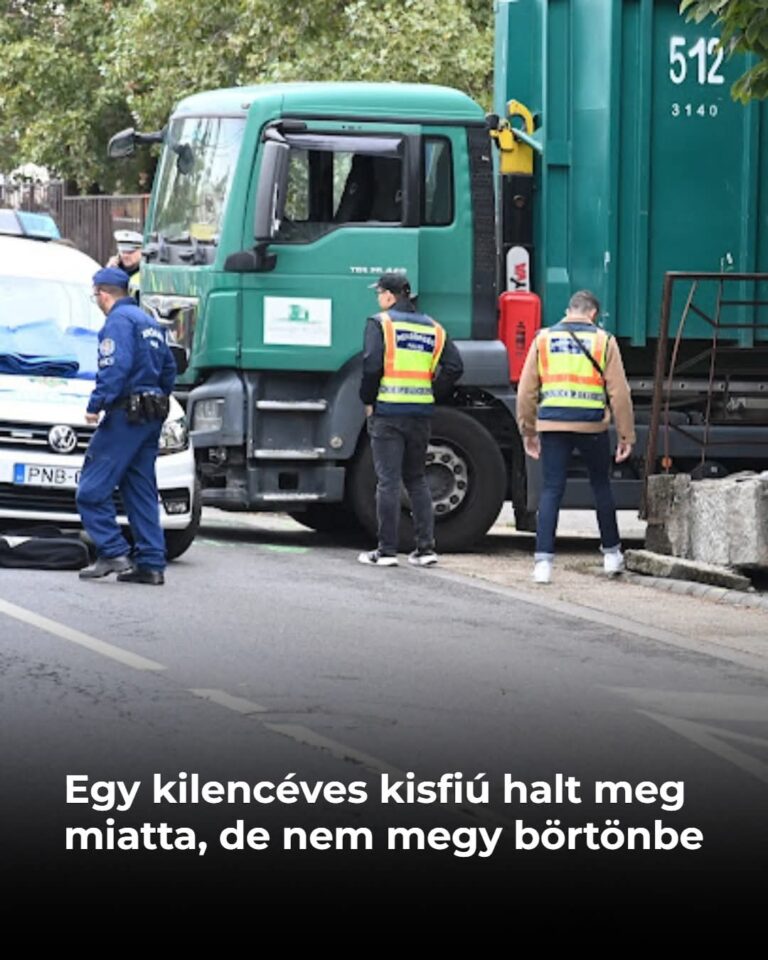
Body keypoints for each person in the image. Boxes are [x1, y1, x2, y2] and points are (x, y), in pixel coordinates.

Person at [516, 289, 635, 584]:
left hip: (552, 425)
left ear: (569, 311)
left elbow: (526, 390)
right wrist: (626, 435)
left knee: (551, 490)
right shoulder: (604, 340)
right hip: (591, 426)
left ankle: (543, 563)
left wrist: (528, 430)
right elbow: (619, 393)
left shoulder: (543, 339)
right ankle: (611, 555)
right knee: (601, 486)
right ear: (593, 313)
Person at [76, 267, 176, 585]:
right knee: (140, 488)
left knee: (90, 490)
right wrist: (156, 398)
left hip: (125, 415)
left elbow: (115, 366)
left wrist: (96, 405)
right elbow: (169, 369)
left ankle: (112, 551)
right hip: (151, 414)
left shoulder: (118, 322)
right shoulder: (149, 322)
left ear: (103, 294)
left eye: (95, 295)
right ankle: (151, 563)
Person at [357, 272, 463, 567]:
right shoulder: (434, 328)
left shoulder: (380, 323)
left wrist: (368, 399)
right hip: (420, 414)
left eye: (379, 293)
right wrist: (431, 392)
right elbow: (454, 367)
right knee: (416, 479)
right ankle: (425, 549)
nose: (378, 298)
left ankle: (386, 551)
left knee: (388, 481)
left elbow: (371, 365)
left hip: (388, 413)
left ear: (390, 296)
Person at [107, 229, 143, 302]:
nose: (125, 256)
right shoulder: (114, 270)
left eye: (130, 252)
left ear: (142, 251)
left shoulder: (147, 272)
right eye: (123, 252)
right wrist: (108, 271)